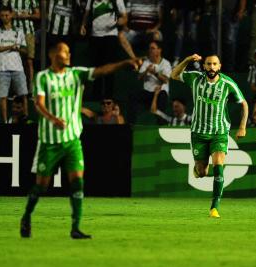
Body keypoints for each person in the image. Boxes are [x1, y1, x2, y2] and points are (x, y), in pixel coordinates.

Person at [20, 42, 141, 239]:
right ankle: (26, 217)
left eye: (69, 51)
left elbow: (102, 70)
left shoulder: (76, 74)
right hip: (50, 141)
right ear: (52, 54)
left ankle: (75, 227)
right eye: (64, 51)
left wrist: (124, 64)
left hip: (72, 140)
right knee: (42, 185)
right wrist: (53, 119)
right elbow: (39, 104)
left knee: (77, 181)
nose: (68, 54)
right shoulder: (43, 77)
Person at [171, 54, 248, 218]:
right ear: (204, 66)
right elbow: (174, 74)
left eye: (214, 64)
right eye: (208, 64)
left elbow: (244, 103)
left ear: (219, 66)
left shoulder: (227, 83)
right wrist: (188, 60)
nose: (212, 67)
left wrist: (242, 126)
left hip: (219, 132)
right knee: (203, 171)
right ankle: (198, 170)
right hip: (198, 133)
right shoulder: (195, 78)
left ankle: (214, 207)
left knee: (218, 166)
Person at [80, 0, 132, 100]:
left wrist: (117, 22)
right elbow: (87, 12)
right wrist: (83, 25)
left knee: (110, 66)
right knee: (96, 67)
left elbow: (125, 17)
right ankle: (96, 95)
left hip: (110, 36)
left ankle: (108, 96)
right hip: (95, 36)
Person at [0, 5, 28, 123]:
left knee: (23, 94)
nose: (5, 17)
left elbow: (25, 50)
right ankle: (5, 121)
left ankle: (25, 118)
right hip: (2, 68)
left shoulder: (19, 31)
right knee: (3, 96)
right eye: (2, 16)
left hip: (17, 67)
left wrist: (18, 49)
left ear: (11, 15)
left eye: (7, 15)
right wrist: (10, 46)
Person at [3, 0, 40, 93]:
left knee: (29, 61)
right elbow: (3, 12)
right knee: (15, 61)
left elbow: (38, 15)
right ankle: (17, 89)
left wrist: (27, 15)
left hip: (28, 33)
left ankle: (31, 89)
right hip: (14, 33)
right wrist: (11, 15)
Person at [132, 40, 171, 123]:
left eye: (153, 48)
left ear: (159, 50)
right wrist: (146, 71)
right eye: (149, 48)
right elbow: (139, 78)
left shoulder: (166, 63)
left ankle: (160, 125)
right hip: (147, 93)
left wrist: (155, 73)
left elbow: (166, 80)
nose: (150, 50)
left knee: (162, 96)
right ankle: (132, 124)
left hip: (160, 92)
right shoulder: (146, 62)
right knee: (133, 96)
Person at [207, 0, 247, 72]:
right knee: (214, 40)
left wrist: (241, 10)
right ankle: (214, 66)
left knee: (230, 41)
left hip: (232, 12)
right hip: (216, 11)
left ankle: (229, 69)